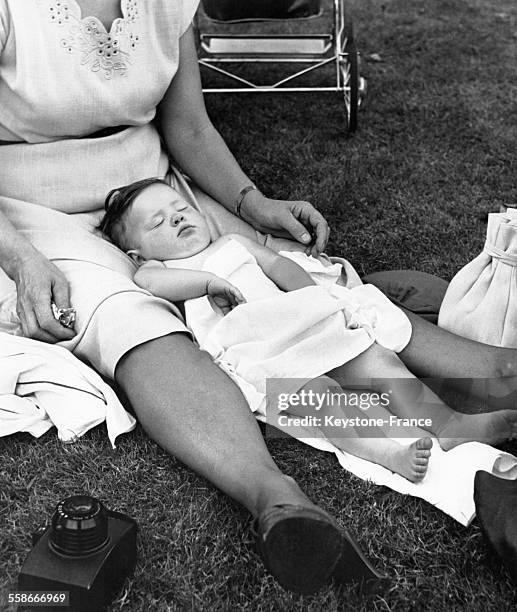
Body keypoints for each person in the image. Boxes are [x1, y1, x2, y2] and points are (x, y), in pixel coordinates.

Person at [0, 0, 515, 596]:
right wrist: (22, 260)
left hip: (152, 193)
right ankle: (275, 498)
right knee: (131, 322)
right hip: (28, 208)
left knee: (301, 277)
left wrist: (252, 206)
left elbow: (187, 126)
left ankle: (497, 376)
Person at [97, 177, 517, 482]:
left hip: (303, 323)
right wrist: (207, 283)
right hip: (258, 352)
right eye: (158, 224)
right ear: (137, 251)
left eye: (181, 210)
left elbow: (282, 267)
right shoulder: (160, 270)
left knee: (380, 362)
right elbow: (151, 285)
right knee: (322, 398)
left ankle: (447, 424)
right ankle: (388, 453)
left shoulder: (233, 245)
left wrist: (321, 300)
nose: (176, 221)